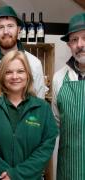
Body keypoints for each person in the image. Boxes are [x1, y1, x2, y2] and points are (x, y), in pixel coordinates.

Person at [0, 50, 58, 180]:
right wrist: (4, 173)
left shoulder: (42, 108)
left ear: (28, 74)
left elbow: (45, 148)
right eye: (8, 72)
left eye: (20, 71)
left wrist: (16, 175)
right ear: (2, 75)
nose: (14, 76)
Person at [52, 12, 85, 179]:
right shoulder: (59, 78)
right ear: (69, 45)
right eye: (74, 39)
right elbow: (55, 126)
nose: (80, 44)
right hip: (68, 168)